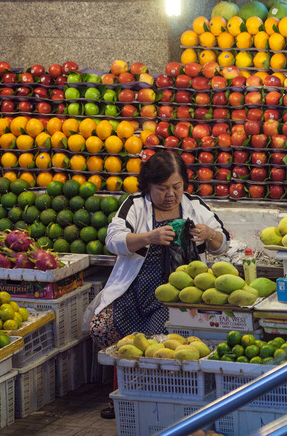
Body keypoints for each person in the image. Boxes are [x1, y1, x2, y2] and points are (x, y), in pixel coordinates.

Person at [88, 150, 229, 418]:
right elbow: (113, 239)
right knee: (106, 327)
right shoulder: (135, 205)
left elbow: (224, 243)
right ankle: (125, 395)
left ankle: (150, 398)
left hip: (176, 296)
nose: (170, 195)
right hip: (134, 290)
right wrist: (147, 237)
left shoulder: (195, 205)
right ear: (148, 186)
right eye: (162, 188)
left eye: (176, 187)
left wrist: (210, 235)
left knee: (157, 341)